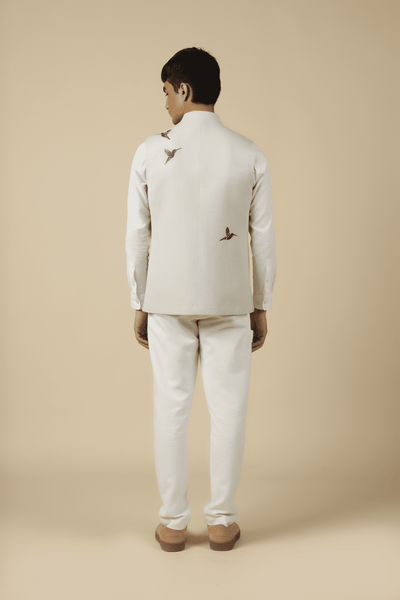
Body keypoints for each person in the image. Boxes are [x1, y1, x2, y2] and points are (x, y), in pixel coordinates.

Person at [125, 47, 277, 552]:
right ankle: (221, 521)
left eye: (167, 92)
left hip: (167, 299)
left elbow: (138, 236)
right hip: (229, 301)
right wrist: (260, 304)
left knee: (170, 410)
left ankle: (172, 523)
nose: (165, 103)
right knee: (228, 412)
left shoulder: (150, 151)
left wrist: (140, 300)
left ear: (184, 89)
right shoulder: (250, 153)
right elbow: (262, 239)